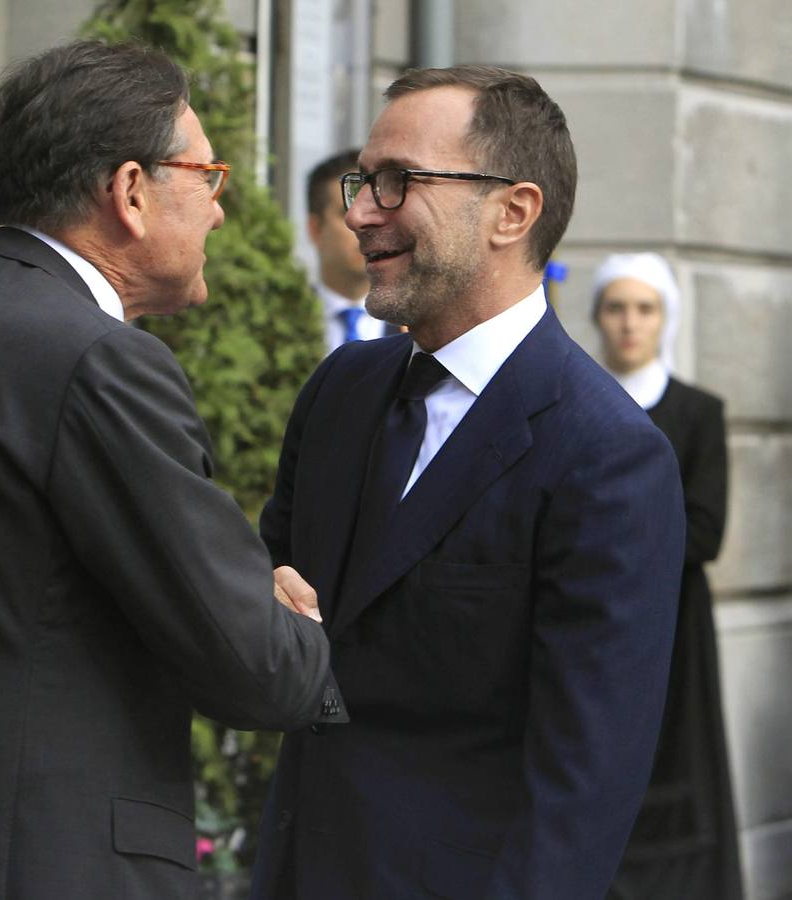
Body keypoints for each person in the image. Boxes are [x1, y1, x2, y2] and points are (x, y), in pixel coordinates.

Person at [0, 40, 344, 900]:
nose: (221, 211)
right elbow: (252, 664)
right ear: (131, 191)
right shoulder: (97, 360)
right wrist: (289, 620)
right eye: (206, 176)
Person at [250, 65, 686, 900]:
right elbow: (272, 599)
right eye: (359, 180)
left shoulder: (605, 454)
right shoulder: (340, 391)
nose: (358, 210)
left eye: (394, 182)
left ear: (512, 211)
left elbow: (581, 792)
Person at [593, 253, 743, 900]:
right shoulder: (581, 404)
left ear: (665, 319)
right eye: (616, 308)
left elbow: (703, 532)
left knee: (675, 762)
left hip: (672, 626)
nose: (630, 323)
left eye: (644, 308)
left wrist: (601, 535)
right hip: (591, 620)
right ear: (597, 318)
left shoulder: (697, 412)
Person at [307, 149, 393, 350]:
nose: (364, 225)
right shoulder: (278, 321)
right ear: (315, 229)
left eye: (376, 211)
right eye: (347, 212)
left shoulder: (413, 328)